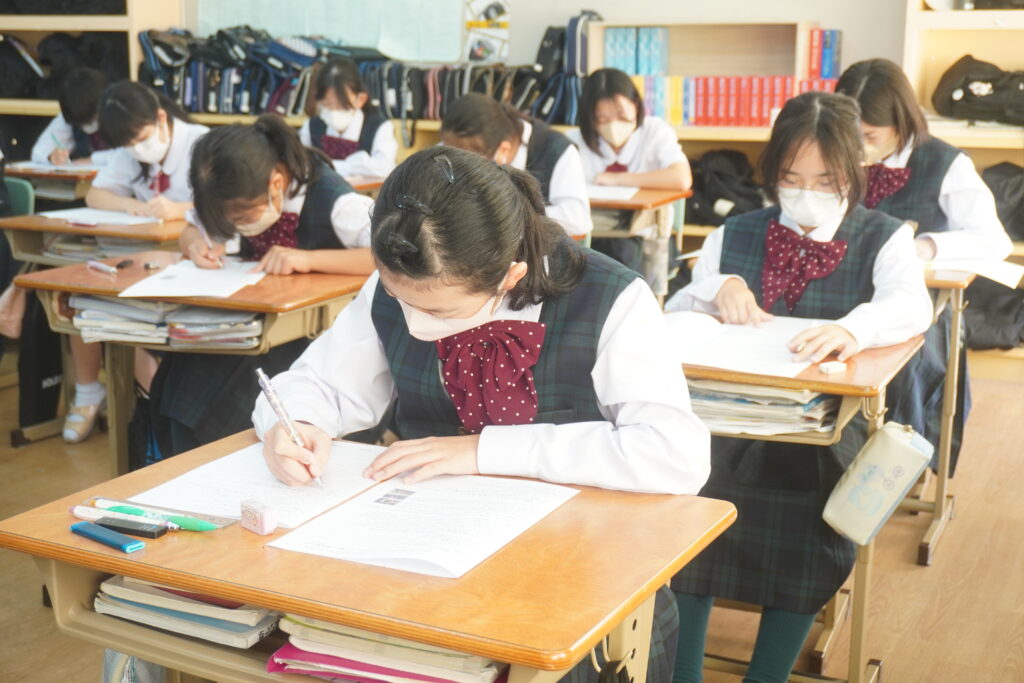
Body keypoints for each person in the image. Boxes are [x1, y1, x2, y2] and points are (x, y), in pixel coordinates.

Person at [254, 147, 712, 682]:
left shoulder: (612, 298)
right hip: (424, 559)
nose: (413, 321)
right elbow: (319, 383)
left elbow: (675, 454)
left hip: (578, 576)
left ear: (510, 276)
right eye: (401, 300)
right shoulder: (401, 280)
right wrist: (299, 423)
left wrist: (484, 451)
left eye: (437, 310)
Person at [665, 92, 932, 683]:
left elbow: (911, 306)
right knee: (686, 499)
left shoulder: (883, 236)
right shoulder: (736, 233)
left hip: (822, 430)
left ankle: (768, 675)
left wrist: (853, 328)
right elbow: (678, 309)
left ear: (856, 171)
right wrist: (717, 288)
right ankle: (682, 672)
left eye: (825, 180)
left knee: (813, 523)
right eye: (790, 178)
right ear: (772, 173)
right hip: (725, 421)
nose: (806, 193)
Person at [149, 114, 375, 458]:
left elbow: (390, 255)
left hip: (308, 337)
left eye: (241, 220)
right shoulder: (235, 193)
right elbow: (191, 229)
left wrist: (309, 259)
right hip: (249, 322)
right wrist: (195, 245)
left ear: (276, 184)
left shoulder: (336, 202)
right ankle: (176, 461)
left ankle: (216, 463)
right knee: (181, 371)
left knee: (214, 389)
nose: (237, 228)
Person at [836, 58, 1012, 473]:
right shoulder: (834, 156)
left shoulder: (944, 163)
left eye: (869, 136)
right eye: (849, 134)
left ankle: (890, 469)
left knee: (907, 361)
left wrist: (925, 247)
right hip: (840, 290)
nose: (858, 146)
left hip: (916, 303)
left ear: (901, 122)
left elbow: (994, 240)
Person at [568, 67, 693, 290]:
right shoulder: (573, 141)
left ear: (636, 104)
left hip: (645, 236)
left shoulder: (655, 131)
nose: (613, 125)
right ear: (589, 118)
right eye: (602, 119)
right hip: (592, 236)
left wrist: (618, 179)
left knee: (622, 256)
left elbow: (681, 178)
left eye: (622, 116)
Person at [441, 93, 592, 238]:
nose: (454, 165)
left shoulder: (556, 150)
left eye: (464, 161)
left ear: (502, 151)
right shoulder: (458, 141)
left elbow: (577, 220)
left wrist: (509, 213)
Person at [299, 57, 397, 178]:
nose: (334, 112)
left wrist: (330, 166)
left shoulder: (380, 127)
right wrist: (357, 165)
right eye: (327, 105)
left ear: (360, 99)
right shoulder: (312, 126)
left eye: (342, 106)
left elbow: (384, 168)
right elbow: (300, 163)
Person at [30, 67, 114, 166]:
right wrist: (51, 157)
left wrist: (93, 159)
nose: (90, 124)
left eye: (93, 117)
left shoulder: (120, 110)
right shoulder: (73, 113)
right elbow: (39, 151)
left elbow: (128, 153)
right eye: (83, 122)